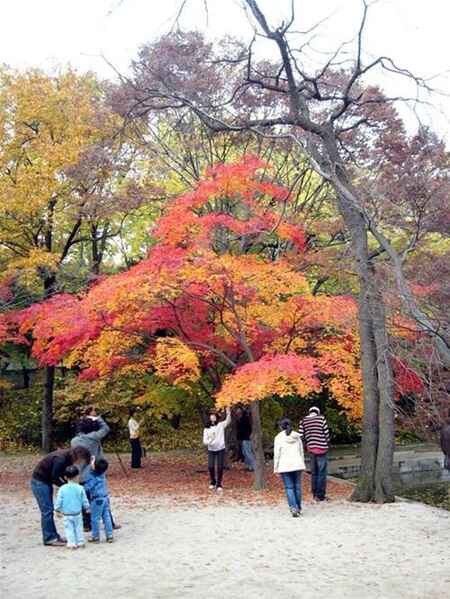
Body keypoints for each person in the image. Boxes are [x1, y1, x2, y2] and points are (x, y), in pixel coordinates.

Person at [31, 446, 91, 546]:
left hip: (46, 481)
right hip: (40, 482)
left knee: (48, 510)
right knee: (47, 510)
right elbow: (55, 477)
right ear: (79, 456)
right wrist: (68, 488)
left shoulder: (68, 458)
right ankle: (49, 538)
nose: (81, 463)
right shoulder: (61, 459)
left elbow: (63, 475)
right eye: (82, 460)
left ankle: (54, 535)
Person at [274, 418, 306, 517]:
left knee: (289, 487)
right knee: (297, 487)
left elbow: (277, 454)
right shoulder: (297, 437)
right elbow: (301, 452)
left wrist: (276, 468)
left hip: (284, 465)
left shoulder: (279, 437)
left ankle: (293, 507)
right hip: (297, 464)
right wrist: (302, 464)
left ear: (281, 427)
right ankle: (298, 507)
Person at [54, 465, 90, 549]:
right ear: (77, 476)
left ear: (65, 477)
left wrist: (57, 509)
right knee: (79, 527)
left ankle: (71, 543)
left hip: (67, 514)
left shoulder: (62, 489)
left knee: (69, 529)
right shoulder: (80, 488)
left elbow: (59, 500)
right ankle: (80, 542)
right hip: (77, 513)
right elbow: (84, 500)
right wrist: (87, 507)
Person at [299, 406, 330, 501]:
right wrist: (326, 441)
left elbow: (301, 435)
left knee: (314, 472)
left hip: (311, 449)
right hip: (321, 449)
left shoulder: (303, 421)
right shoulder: (321, 418)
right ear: (317, 412)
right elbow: (326, 433)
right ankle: (320, 495)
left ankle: (314, 493)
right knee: (322, 473)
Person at [84, 457, 114, 543]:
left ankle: (95, 537)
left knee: (95, 518)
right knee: (106, 517)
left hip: (96, 500)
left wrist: (81, 487)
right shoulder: (102, 474)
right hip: (105, 498)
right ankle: (109, 535)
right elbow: (95, 467)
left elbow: (87, 487)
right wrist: (93, 461)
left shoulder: (92, 477)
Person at [203, 407, 231, 491]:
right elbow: (204, 441)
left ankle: (219, 484)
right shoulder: (207, 428)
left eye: (214, 416)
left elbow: (228, 421)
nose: (212, 417)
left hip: (220, 449)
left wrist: (228, 413)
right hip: (211, 449)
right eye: (211, 416)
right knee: (210, 466)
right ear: (209, 417)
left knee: (220, 467)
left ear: (216, 417)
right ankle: (213, 481)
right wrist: (210, 440)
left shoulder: (220, 425)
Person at [235, 407, 256, 472]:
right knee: (245, 452)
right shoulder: (239, 419)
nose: (237, 412)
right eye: (237, 411)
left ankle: (254, 466)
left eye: (238, 411)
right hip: (243, 439)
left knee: (248, 453)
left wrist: (246, 436)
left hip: (246, 438)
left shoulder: (244, 419)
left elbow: (247, 429)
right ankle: (248, 466)